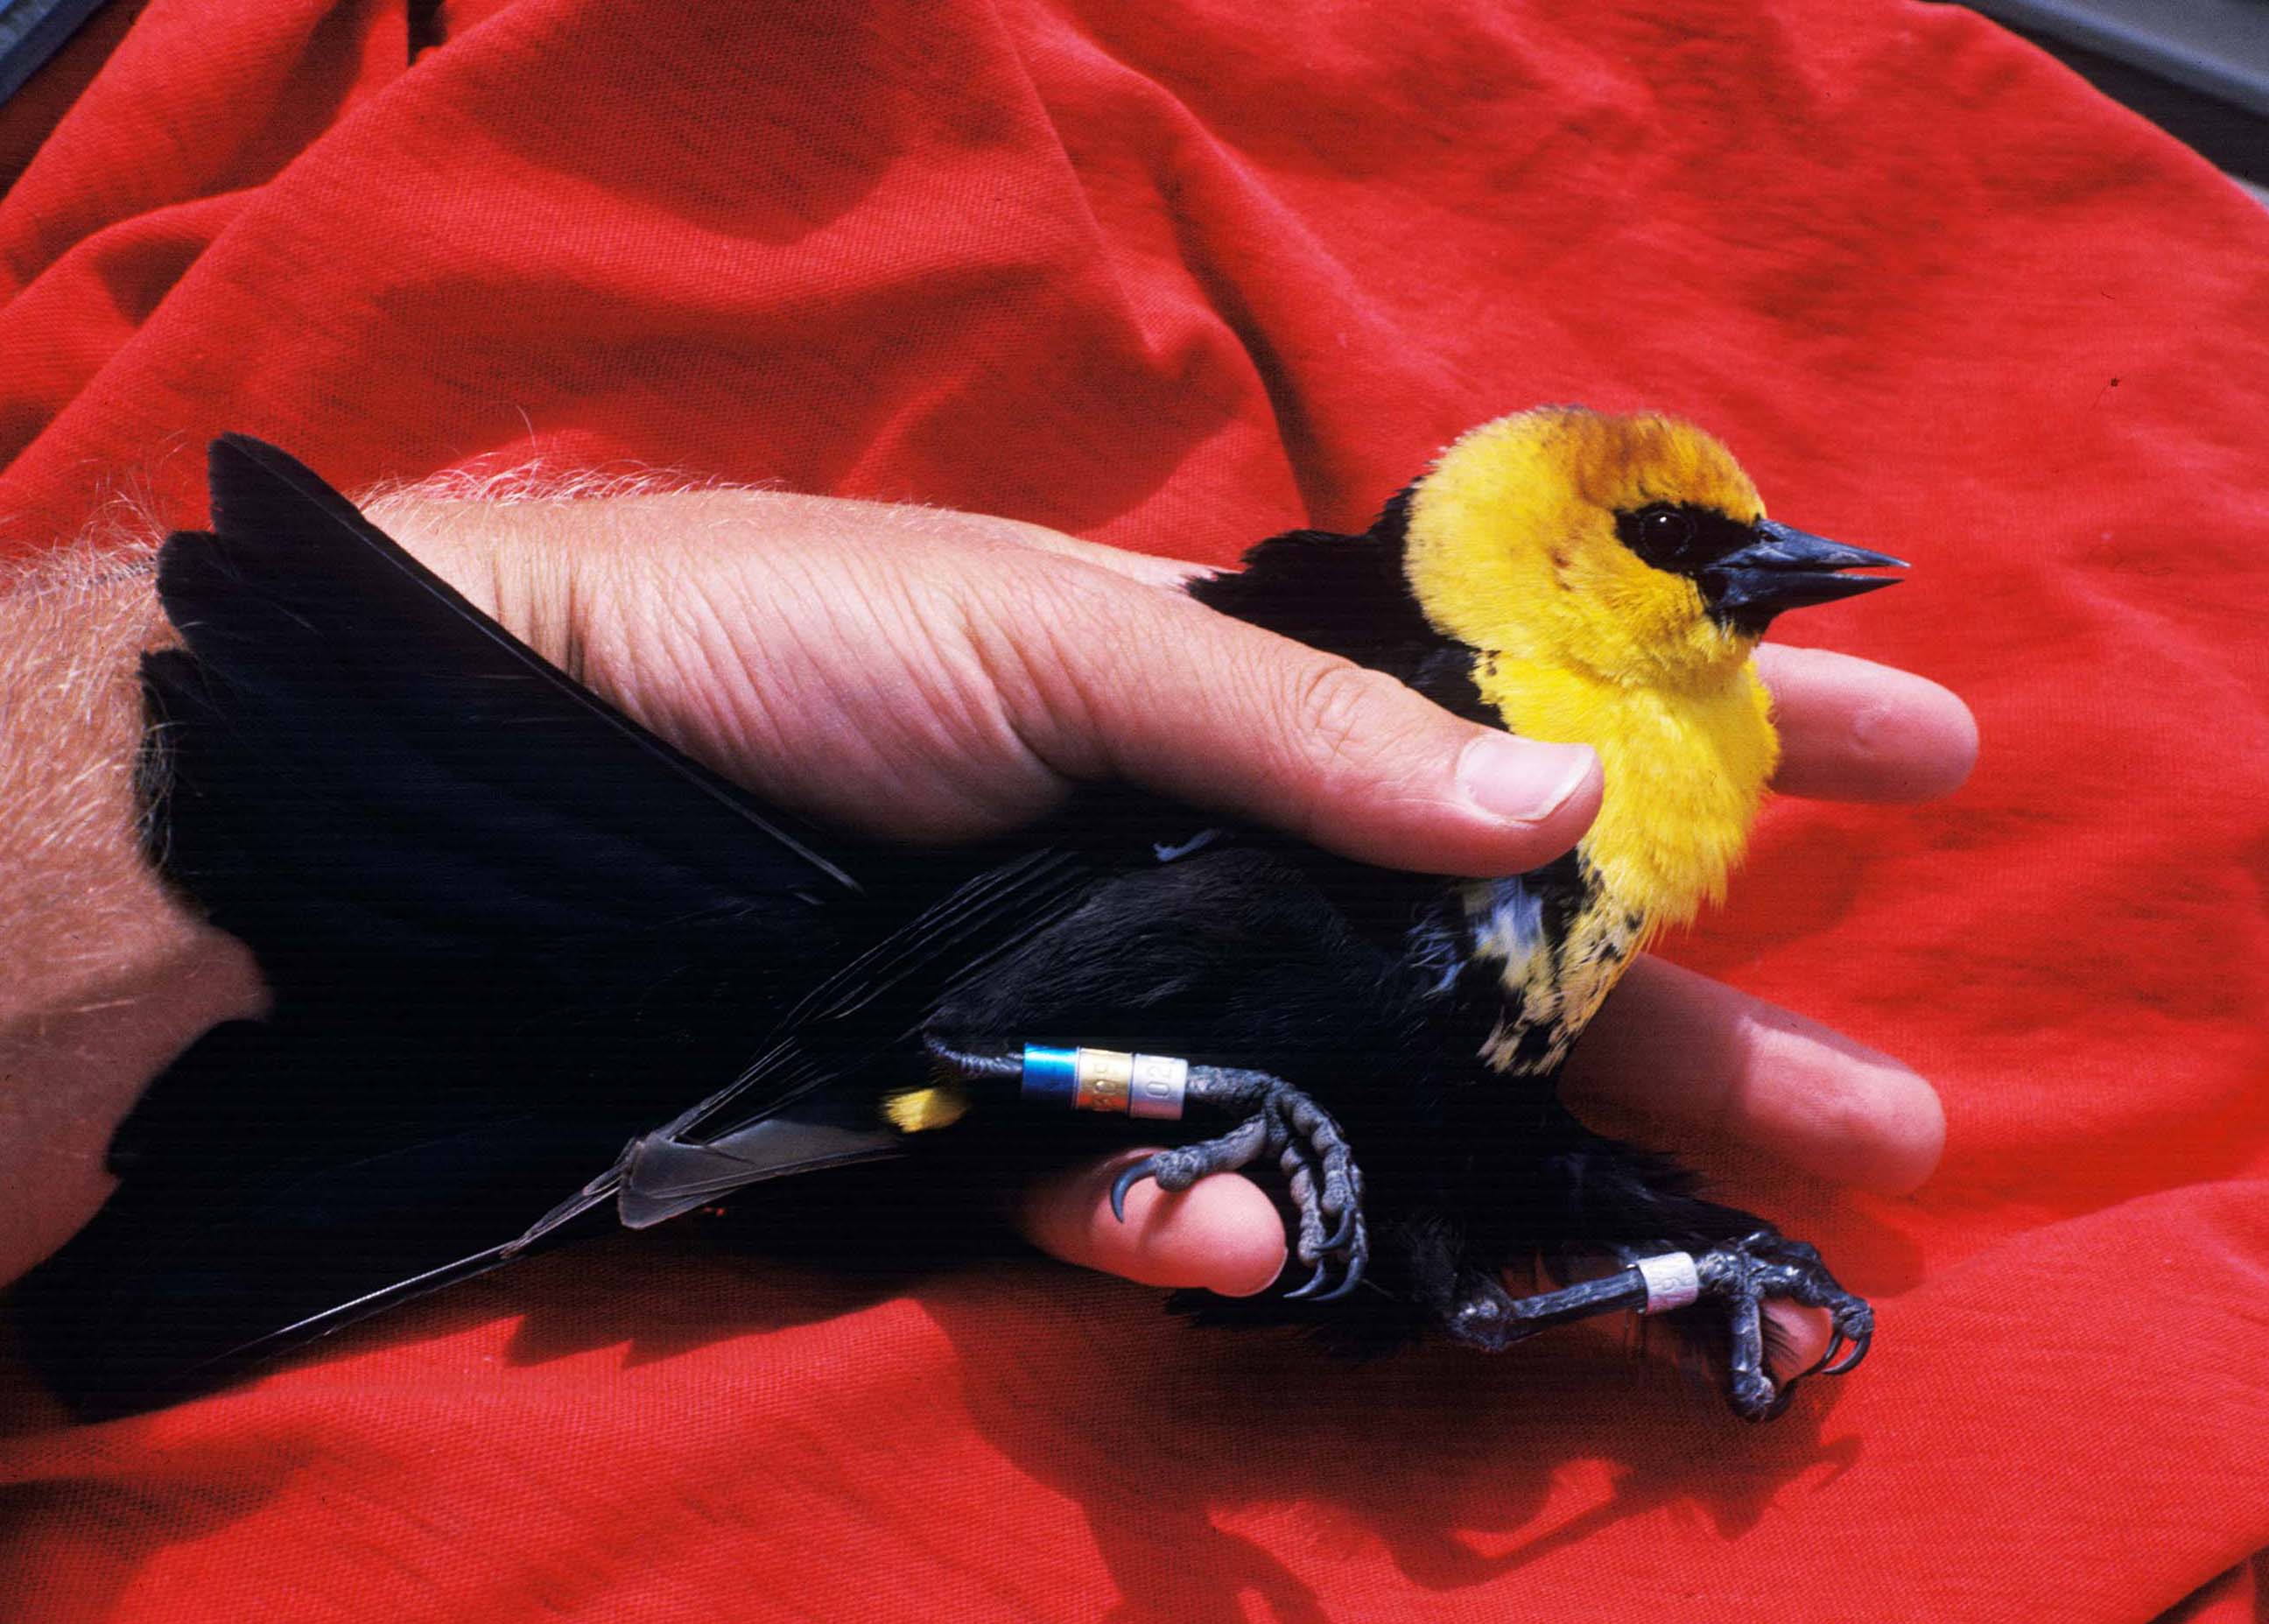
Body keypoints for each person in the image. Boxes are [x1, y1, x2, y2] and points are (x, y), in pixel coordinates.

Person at [0, 476, 1973, 1379]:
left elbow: (1410, 1069)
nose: (1760, 571)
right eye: (1681, 542)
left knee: (1402, 1195)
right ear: (1547, 552)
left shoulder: (1644, 766)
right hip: (948, 1005)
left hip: (1065, 1079)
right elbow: (1122, 942)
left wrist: (1668, 1241)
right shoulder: (1459, 696)